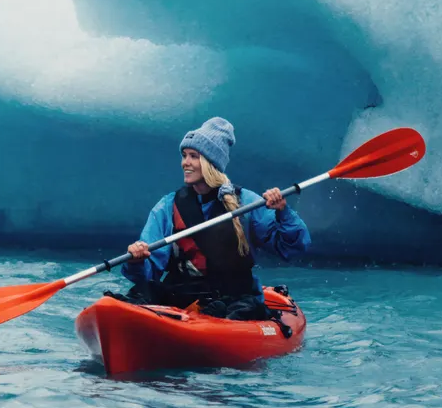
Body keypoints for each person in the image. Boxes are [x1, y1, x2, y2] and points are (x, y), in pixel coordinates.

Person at [119, 116, 311, 319]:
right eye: (184, 155)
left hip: (235, 297)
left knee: (230, 310)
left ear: (210, 162)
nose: (185, 162)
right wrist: (137, 260)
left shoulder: (246, 202)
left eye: (194, 156)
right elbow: (149, 272)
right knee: (140, 294)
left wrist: (283, 212)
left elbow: (291, 247)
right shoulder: (168, 206)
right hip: (181, 295)